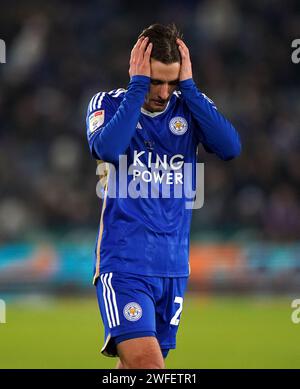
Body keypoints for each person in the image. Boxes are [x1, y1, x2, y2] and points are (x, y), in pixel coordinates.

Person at [86, 23, 241, 369]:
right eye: (155, 81)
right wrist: (137, 86)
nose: (163, 92)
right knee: (151, 369)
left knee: (132, 370)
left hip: (173, 268)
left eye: (171, 82)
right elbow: (107, 148)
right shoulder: (108, 104)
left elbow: (230, 148)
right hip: (124, 264)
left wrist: (190, 88)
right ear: (138, 70)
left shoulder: (189, 106)